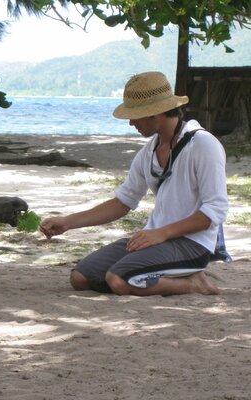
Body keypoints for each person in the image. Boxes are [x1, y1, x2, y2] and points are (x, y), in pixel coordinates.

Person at [39, 71, 228, 296]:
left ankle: (193, 283)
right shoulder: (148, 152)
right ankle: (161, 275)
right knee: (80, 277)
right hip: (155, 239)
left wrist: (161, 233)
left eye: (135, 115)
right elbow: (123, 202)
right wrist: (67, 222)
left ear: (155, 114)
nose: (130, 123)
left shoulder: (203, 145)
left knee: (118, 279)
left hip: (192, 244)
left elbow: (215, 210)